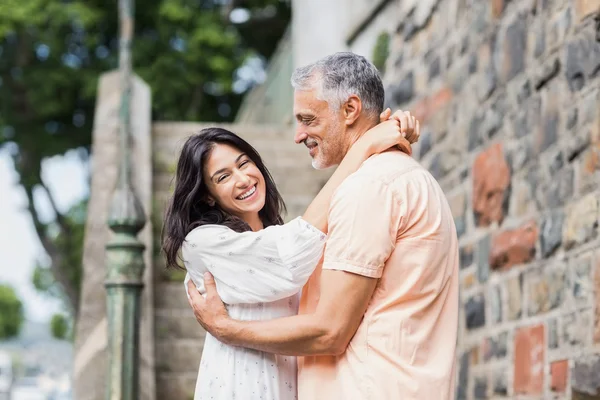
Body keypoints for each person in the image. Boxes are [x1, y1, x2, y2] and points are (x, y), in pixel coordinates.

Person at [186, 52, 460, 400]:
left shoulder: (369, 187)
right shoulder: (405, 177)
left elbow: (329, 330)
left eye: (308, 119)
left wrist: (229, 329)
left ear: (350, 110)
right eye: (223, 176)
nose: (298, 135)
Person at [162, 112, 420, 399]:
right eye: (223, 177)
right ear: (207, 196)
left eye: (244, 163)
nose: (243, 179)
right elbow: (291, 258)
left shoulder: (275, 233)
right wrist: (366, 145)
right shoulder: (202, 242)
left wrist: (386, 128)